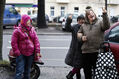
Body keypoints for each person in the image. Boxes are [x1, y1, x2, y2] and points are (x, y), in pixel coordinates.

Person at [77, 7, 110, 79]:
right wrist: (81, 37)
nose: (91, 15)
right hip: (86, 52)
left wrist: (104, 14)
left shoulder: (100, 22)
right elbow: (79, 33)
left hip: (97, 51)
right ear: (87, 16)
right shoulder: (84, 25)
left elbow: (107, 26)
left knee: (98, 72)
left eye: (92, 13)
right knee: (87, 73)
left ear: (94, 14)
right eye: (89, 14)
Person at [11, 14, 43, 79]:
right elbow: (14, 43)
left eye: (29, 20)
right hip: (21, 54)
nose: (29, 22)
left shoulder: (32, 30)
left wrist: (37, 52)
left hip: (30, 54)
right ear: (23, 21)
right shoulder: (17, 31)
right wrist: (18, 53)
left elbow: (36, 42)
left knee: (27, 72)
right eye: (27, 21)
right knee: (19, 72)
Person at [65, 15, 85, 79]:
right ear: (78, 21)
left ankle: (76, 76)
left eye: (83, 20)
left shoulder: (85, 27)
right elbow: (67, 28)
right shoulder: (75, 27)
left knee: (78, 64)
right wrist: (69, 20)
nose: (82, 21)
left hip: (82, 49)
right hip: (76, 49)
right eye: (80, 20)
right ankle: (70, 75)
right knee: (78, 65)